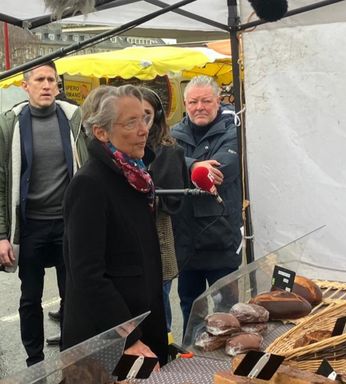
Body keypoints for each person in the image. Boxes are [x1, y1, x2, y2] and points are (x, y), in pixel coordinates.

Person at [61, 84, 168, 365]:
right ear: (101, 132)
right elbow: (87, 275)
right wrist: (128, 337)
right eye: (131, 122)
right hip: (108, 340)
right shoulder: (89, 184)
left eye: (144, 118)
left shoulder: (135, 175)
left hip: (140, 326)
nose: (144, 129)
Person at [0, 61, 88, 366]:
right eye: (40, 79)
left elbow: (88, 169)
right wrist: (1, 235)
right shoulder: (10, 123)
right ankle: (34, 361)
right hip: (31, 226)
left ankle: (69, 354)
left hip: (69, 224)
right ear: (26, 86)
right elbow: (1, 181)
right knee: (30, 298)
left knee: (73, 295)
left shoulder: (72, 118)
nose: (48, 85)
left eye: (52, 79)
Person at [171, 75, 243, 333]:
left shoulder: (234, 131)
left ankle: (226, 363)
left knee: (227, 309)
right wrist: (194, 165)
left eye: (205, 101)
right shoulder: (174, 134)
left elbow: (221, 172)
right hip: (187, 238)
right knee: (190, 307)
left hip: (221, 236)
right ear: (185, 103)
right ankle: (191, 356)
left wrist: (184, 165)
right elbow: (165, 168)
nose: (199, 107)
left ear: (218, 101)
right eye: (193, 102)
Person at [139, 86, 188, 337]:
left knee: (158, 305)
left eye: (146, 114)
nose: (140, 122)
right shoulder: (123, 148)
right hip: (131, 244)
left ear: (157, 116)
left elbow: (172, 202)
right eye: (134, 115)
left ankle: (163, 349)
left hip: (158, 238)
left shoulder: (168, 150)